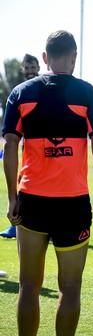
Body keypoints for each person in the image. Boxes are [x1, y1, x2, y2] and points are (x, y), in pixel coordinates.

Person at [2, 30, 93, 336]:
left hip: (32, 200)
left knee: (29, 285)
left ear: (45, 58)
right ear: (74, 57)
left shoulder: (21, 93)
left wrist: (12, 196)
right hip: (72, 203)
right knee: (70, 288)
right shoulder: (86, 93)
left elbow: (10, 147)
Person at [1, 54, 41, 240]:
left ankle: (26, 226)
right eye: (27, 67)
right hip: (24, 147)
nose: (30, 70)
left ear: (39, 66)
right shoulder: (19, 91)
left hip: (38, 149)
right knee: (18, 183)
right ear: (22, 69)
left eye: (32, 67)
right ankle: (16, 226)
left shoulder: (42, 89)